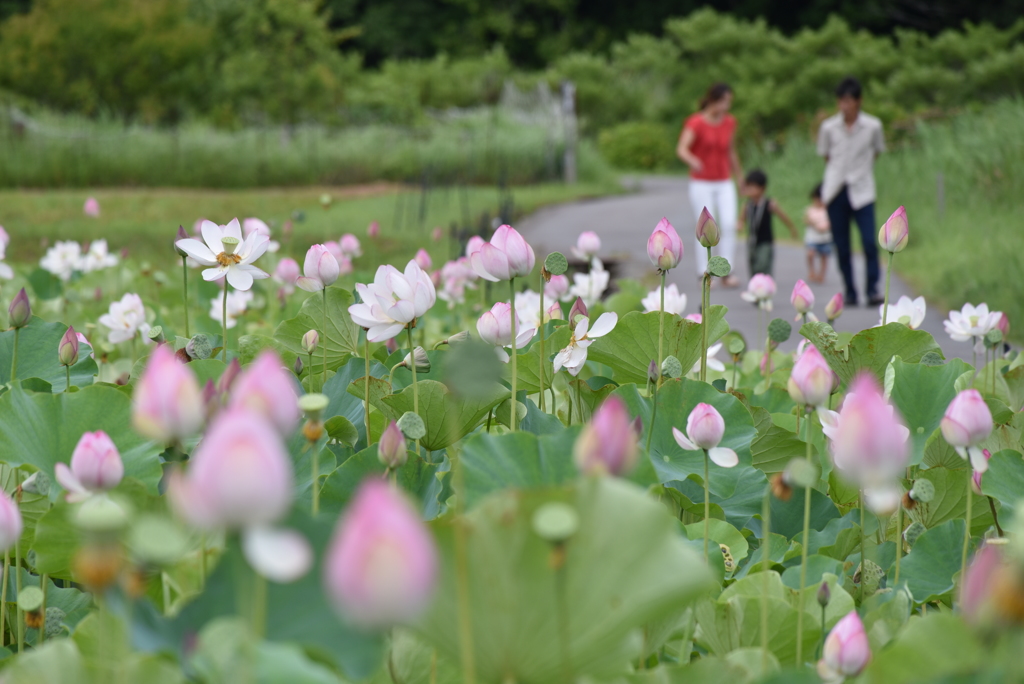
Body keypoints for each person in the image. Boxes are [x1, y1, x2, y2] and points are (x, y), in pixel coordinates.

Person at [817, 76, 886, 306]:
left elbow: (877, 151)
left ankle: (873, 288)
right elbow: (827, 156)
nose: (844, 106)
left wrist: (860, 171)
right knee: (842, 245)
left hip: (862, 189)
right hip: (836, 190)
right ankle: (850, 290)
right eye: (841, 101)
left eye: (849, 101)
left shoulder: (873, 126)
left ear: (858, 101)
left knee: (869, 241)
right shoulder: (828, 127)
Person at [677, 82, 743, 287]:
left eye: (728, 103)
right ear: (713, 100)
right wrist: (692, 160)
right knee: (705, 227)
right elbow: (682, 149)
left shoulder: (729, 122)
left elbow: (731, 151)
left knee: (729, 224)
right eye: (724, 102)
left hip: (724, 180)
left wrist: (739, 176)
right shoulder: (696, 122)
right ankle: (704, 272)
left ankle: (726, 271)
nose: (726, 107)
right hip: (702, 182)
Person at [738, 169, 797, 277]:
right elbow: (741, 220)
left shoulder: (770, 204)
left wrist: (791, 228)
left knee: (763, 264)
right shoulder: (747, 206)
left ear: (762, 188)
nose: (750, 190)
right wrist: (740, 225)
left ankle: (766, 285)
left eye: (753, 187)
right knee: (753, 265)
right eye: (749, 186)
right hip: (752, 241)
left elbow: (783, 216)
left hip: (765, 242)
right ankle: (755, 286)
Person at [804, 183, 832, 283]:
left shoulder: (827, 210)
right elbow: (806, 220)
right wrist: (813, 224)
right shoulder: (810, 209)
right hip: (813, 238)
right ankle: (812, 271)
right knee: (810, 253)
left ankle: (821, 275)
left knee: (824, 256)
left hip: (825, 238)